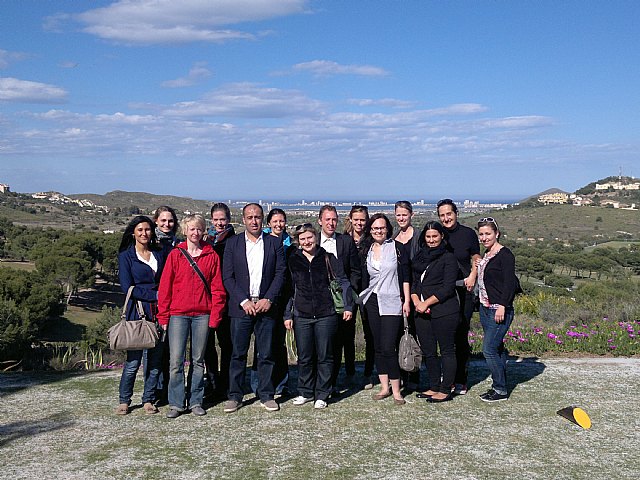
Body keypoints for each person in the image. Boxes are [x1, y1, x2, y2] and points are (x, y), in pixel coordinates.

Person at [157, 214, 226, 418]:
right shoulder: (176, 255)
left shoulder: (211, 255)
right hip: (178, 314)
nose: (196, 233)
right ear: (185, 231)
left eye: (199, 229)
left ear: (204, 231)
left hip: (203, 314)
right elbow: (165, 287)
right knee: (176, 360)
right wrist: (163, 316)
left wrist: (215, 316)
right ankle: (176, 403)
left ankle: (196, 400)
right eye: (192, 229)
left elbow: (218, 289)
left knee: (198, 360)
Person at [222, 203, 286, 413]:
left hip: (266, 306)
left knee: (266, 354)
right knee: (238, 354)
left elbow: (280, 274)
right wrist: (243, 301)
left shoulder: (274, 243)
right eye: (249, 217)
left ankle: (266, 394)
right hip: (241, 308)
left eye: (257, 217)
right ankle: (235, 396)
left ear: (263, 219)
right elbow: (228, 277)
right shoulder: (232, 244)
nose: (254, 221)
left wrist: (268, 299)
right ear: (243, 220)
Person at [284, 224, 354, 409]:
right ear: (298, 241)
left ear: (316, 237)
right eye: (303, 239)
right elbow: (289, 290)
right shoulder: (293, 260)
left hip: (326, 313)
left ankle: (323, 393)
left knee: (325, 355)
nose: (306, 242)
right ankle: (305, 391)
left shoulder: (328, 258)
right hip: (302, 314)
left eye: (309, 237)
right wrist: (287, 314)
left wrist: (348, 305)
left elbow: (344, 282)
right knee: (305, 356)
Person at [115, 216, 167, 415]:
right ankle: (124, 400)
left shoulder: (159, 253)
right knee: (133, 361)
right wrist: (155, 294)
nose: (144, 233)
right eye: (140, 230)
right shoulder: (126, 256)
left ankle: (149, 399)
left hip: (159, 311)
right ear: (133, 233)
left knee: (154, 361)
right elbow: (127, 287)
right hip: (136, 311)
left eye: (148, 229)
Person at [358, 213, 411, 405]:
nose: (378, 231)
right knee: (378, 346)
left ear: (387, 229)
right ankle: (384, 387)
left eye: (381, 228)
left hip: (392, 300)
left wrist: (406, 300)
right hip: (372, 299)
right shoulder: (367, 250)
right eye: (374, 228)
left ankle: (397, 390)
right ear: (370, 231)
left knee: (389, 347)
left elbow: (405, 275)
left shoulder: (397, 248)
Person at [410, 221, 460, 403]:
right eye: (428, 236)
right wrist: (416, 301)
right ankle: (433, 386)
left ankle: (446, 389)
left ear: (442, 236)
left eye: (435, 236)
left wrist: (427, 302)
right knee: (429, 351)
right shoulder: (419, 257)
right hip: (421, 311)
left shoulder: (448, 258)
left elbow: (447, 288)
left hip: (444, 311)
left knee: (446, 350)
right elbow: (415, 282)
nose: (431, 240)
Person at [437, 199, 481, 395]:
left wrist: (472, 276)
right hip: (443, 292)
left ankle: (461, 380)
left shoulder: (468, 234)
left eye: (449, 214)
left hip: (464, 290)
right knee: (446, 335)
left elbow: (476, 258)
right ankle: (447, 377)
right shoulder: (437, 234)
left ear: (456, 213)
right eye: (442, 215)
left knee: (461, 334)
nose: (446, 218)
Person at [317, 205, 361, 394]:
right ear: (320, 221)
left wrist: (347, 298)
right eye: (327, 219)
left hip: (343, 302)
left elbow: (355, 271)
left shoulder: (346, 241)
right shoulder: (312, 240)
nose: (331, 223)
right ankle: (320, 382)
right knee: (321, 344)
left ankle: (334, 382)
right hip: (318, 302)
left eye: (334, 219)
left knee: (340, 342)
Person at [476, 217, 519, 403]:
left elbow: (509, 282)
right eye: (482, 234)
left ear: (497, 234)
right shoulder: (486, 254)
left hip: (498, 309)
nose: (484, 237)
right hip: (485, 308)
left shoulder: (505, 255)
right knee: (497, 348)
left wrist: (503, 305)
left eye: (488, 234)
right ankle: (499, 385)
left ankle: (500, 389)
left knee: (489, 350)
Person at [203, 202, 235, 399]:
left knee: (227, 345)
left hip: (228, 300)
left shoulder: (235, 241)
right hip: (207, 300)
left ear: (229, 220)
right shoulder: (206, 242)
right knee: (207, 346)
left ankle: (226, 384)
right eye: (216, 220)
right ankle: (213, 382)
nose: (219, 223)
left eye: (222, 219)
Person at [344, 205, 375, 389]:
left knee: (369, 333)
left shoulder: (372, 240)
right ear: (350, 219)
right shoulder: (343, 239)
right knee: (347, 335)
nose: (359, 223)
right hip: (348, 292)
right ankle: (349, 371)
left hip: (368, 292)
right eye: (356, 219)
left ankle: (368, 372)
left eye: (362, 219)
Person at [393, 200, 421, 393]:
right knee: (399, 337)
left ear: (411, 215)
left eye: (404, 214)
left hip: (417, 292)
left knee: (415, 336)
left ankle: (415, 376)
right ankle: (402, 374)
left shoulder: (419, 237)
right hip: (398, 293)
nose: (401, 218)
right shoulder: (393, 239)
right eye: (398, 215)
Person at [152, 205, 179, 405]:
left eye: (170, 221)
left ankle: (170, 390)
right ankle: (154, 391)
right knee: (154, 348)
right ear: (156, 222)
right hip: (153, 301)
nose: (167, 224)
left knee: (171, 350)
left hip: (174, 301)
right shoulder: (150, 243)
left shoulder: (179, 244)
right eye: (163, 221)